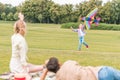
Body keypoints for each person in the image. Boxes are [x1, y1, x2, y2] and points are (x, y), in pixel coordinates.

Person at [9, 12, 44, 80]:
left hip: (13, 64)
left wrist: (21, 20)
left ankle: (44, 67)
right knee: (29, 76)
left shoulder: (14, 36)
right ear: (23, 29)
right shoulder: (21, 40)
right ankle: (45, 67)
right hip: (18, 67)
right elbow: (22, 60)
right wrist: (26, 73)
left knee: (34, 66)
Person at [40, 57, 120, 80]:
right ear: (59, 63)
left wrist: (46, 70)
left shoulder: (59, 78)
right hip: (101, 71)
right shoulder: (68, 63)